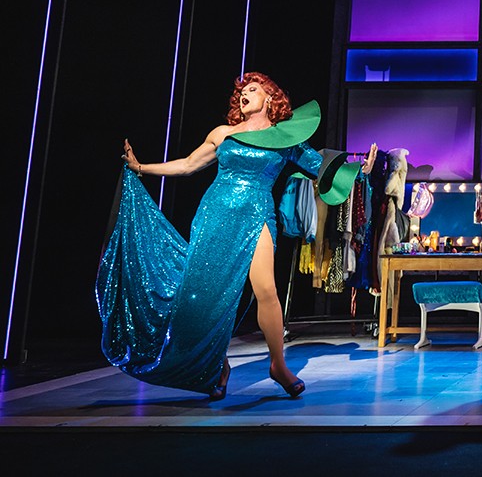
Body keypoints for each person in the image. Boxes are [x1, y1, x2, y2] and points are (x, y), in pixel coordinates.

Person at [98, 72, 371, 400]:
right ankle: (218, 366)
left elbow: (320, 166)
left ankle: (278, 365)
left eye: (253, 89)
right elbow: (187, 165)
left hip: (257, 214)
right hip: (215, 215)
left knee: (266, 289)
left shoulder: (285, 137)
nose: (244, 94)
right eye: (241, 90)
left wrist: (359, 170)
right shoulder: (223, 133)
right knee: (208, 298)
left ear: (270, 98)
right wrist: (141, 167)